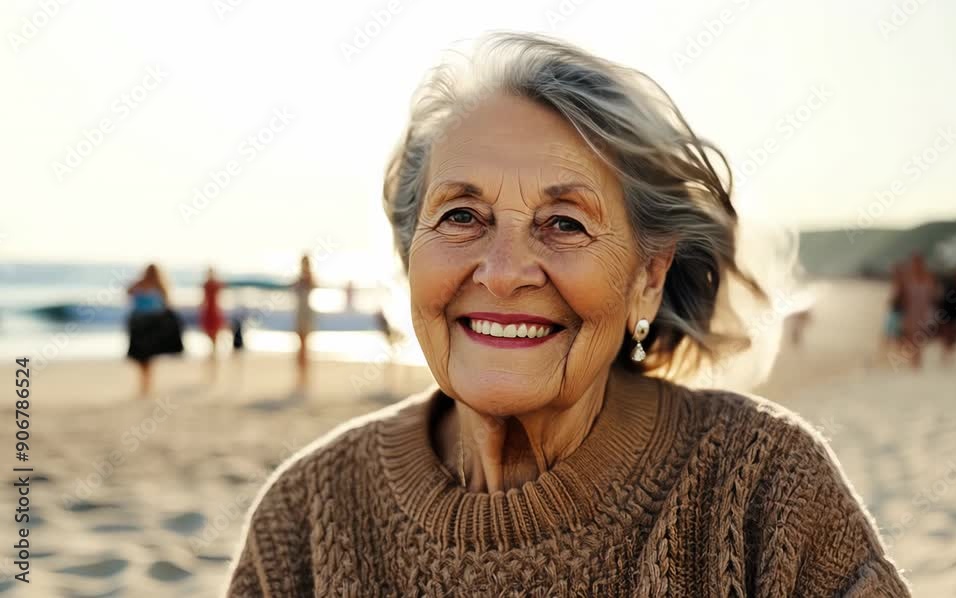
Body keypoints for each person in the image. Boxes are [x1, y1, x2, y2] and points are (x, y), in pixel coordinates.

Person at [227, 33, 909, 596]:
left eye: (564, 223)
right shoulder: (307, 519)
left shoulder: (766, 486)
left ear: (648, 276)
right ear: (412, 254)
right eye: (461, 216)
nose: (502, 272)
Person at [126, 264, 183, 397]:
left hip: (151, 325)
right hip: (139, 324)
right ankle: (145, 383)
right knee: (140, 356)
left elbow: (166, 305)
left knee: (146, 356)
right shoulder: (139, 284)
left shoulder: (160, 286)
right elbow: (128, 293)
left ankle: (146, 384)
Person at [899, 253, 939, 369]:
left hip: (924, 311)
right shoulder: (907, 279)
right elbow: (902, 297)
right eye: (914, 263)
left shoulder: (929, 277)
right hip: (910, 312)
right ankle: (913, 361)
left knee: (919, 338)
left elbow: (932, 296)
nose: (916, 265)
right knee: (910, 338)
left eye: (918, 263)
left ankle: (917, 362)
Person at [293, 253, 316, 389]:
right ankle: (301, 375)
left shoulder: (309, 278)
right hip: (300, 312)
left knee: (304, 346)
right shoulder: (299, 279)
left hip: (306, 313)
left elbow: (312, 286)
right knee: (300, 346)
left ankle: (304, 376)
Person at [935, 271, 956, 365]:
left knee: (949, 337)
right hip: (949, 315)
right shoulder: (953, 288)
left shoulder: (950, 288)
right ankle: (946, 356)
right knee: (949, 337)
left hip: (950, 315)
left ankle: (946, 356)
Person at [199, 267, 226, 362]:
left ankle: (214, 351)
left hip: (214, 310)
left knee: (214, 332)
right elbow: (204, 299)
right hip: (211, 310)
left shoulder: (214, 284)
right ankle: (213, 351)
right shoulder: (209, 284)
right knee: (210, 332)